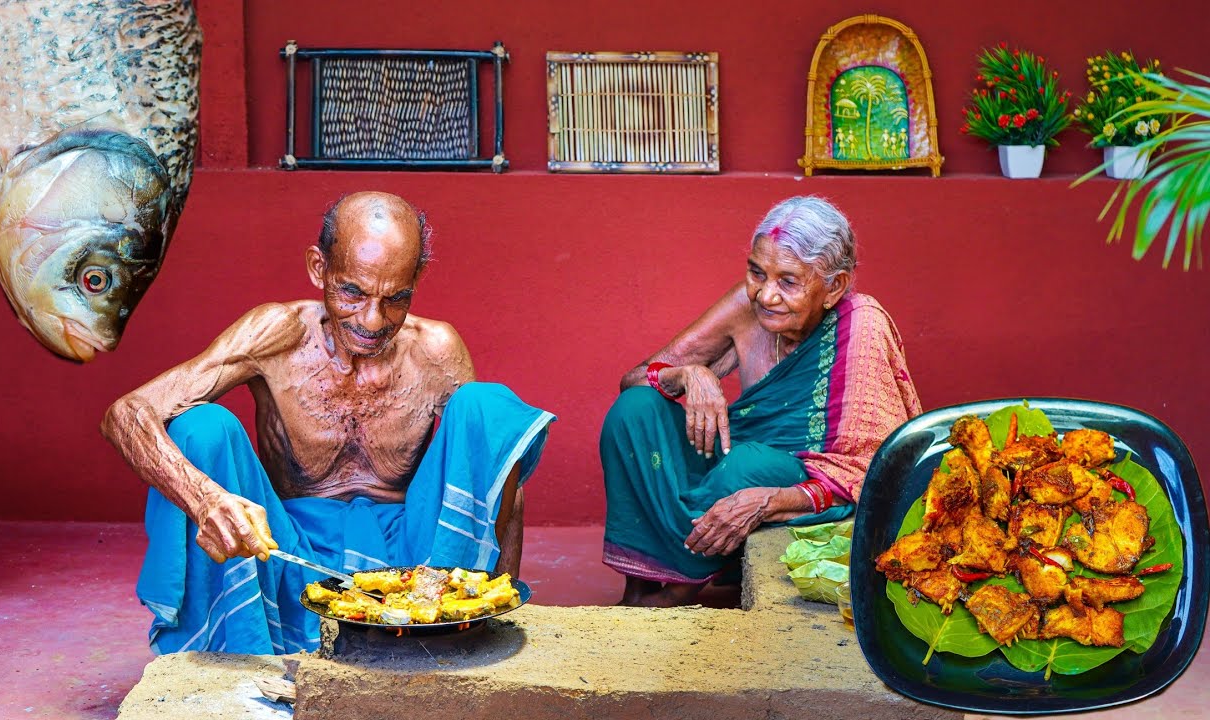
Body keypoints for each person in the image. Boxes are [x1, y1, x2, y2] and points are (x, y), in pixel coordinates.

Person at [102, 191, 555, 654]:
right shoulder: (276, 333)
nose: (372, 321)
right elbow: (127, 414)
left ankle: (461, 625)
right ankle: (232, 649)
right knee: (200, 429)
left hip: (414, 563)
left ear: (416, 279)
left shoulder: (434, 349)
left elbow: (494, 483)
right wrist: (205, 501)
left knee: (487, 410)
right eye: (352, 292)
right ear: (318, 268)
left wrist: (503, 619)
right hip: (286, 551)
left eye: (395, 298)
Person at [600, 196, 921, 607]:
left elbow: (868, 472)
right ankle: (641, 585)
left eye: (788, 282)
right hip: (728, 470)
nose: (766, 295)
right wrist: (688, 374)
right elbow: (634, 379)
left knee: (748, 465)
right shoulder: (747, 305)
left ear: (834, 287)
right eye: (757, 273)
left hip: (796, 486)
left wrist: (770, 501)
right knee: (635, 410)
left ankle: (678, 592)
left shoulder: (862, 325)